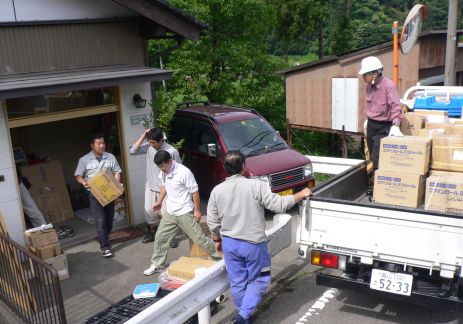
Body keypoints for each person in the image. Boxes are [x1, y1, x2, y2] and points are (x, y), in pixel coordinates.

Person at [206, 151, 312, 324]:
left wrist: (217, 240)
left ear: (226, 169)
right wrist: (301, 194)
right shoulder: (256, 186)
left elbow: (212, 220)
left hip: (230, 244)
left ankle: (244, 318)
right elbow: (278, 204)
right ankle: (242, 317)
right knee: (259, 280)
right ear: (243, 167)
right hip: (253, 244)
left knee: (238, 282)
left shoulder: (217, 191)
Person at [143, 150, 218, 276]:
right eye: (160, 167)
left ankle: (219, 258)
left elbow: (195, 191)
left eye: (164, 166)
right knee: (160, 237)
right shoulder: (163, 172)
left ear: (171, 161)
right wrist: (159, 201)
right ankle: (157, 264)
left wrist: (197, 210)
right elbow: (164, 186)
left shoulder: (184, 172)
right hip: (171, 212)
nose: (162, 169)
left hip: (185, 211)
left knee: (199, 239)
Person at [129, 127, 181, 247]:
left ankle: (170, 237)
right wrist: (143, 136)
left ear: (161, 140)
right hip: (151, 185)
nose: (151, 144)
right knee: (149, 211)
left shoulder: (172, 151)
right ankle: (152, 233)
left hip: (166, 187)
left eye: (153, 142)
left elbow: (179, 170)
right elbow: (132, 151)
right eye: (149, 142)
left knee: (166, 214)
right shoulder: (149, 147)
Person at [75, 133, 122, 258]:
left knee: (109, 219)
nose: (102, 146)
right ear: (92, 145)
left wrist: (116, 183)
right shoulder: (84, 159)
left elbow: (117, 171)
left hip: (109, 193)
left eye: (103, 143)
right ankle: (105, 247)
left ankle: (104, 237)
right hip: (95, 194)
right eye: (99, 143)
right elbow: (78, 175)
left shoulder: (110, 157)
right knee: (100, 220)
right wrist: (82, 181)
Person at [359, 56, 403, 177]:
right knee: (372, 156)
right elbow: (370, 105)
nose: (363, 77)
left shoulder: (389, 86)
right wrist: (368, 120)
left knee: (377, 157)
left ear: (374, 73)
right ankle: (375, 181)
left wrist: (396, 124)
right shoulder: (369, 86)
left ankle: (380, 185)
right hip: (371, 125)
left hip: (384, 127)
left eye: (365, 74)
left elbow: (395, 106)